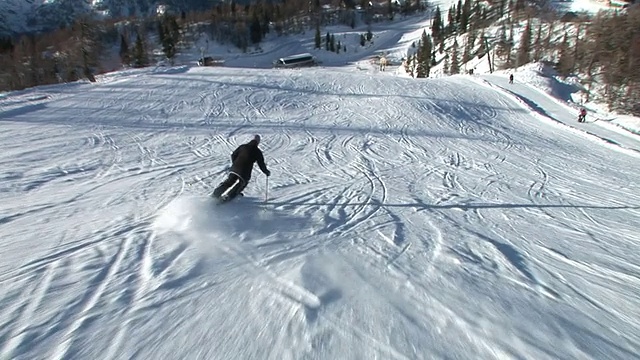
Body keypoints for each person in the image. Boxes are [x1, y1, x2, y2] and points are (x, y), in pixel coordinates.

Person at [212, 135, 270, 201]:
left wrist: (235, 163)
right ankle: (228, 197)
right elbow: (261, 164)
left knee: (229, 181)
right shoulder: (257, 151)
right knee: (241, 184)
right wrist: (266, 172)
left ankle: (215, 194)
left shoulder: (243, 146)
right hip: (244, 172)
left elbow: (233, 155)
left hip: (234, 168)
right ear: (258, 142)